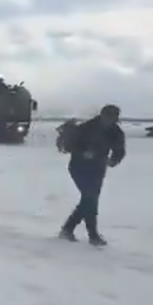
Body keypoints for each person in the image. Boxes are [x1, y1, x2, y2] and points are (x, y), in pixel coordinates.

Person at [59, 104, 125, 246]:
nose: (110, 122)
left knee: (89, 200)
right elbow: (72, 146)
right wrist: (83, 153)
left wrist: (113, 160)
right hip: (79, 167)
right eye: (108, 118)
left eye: (113, 119)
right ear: (102, 115)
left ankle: (69, 230)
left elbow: (120, 150)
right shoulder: (87, 127)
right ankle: (92, 235)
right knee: (90, 199)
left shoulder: (116, 131)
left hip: (97, 168)